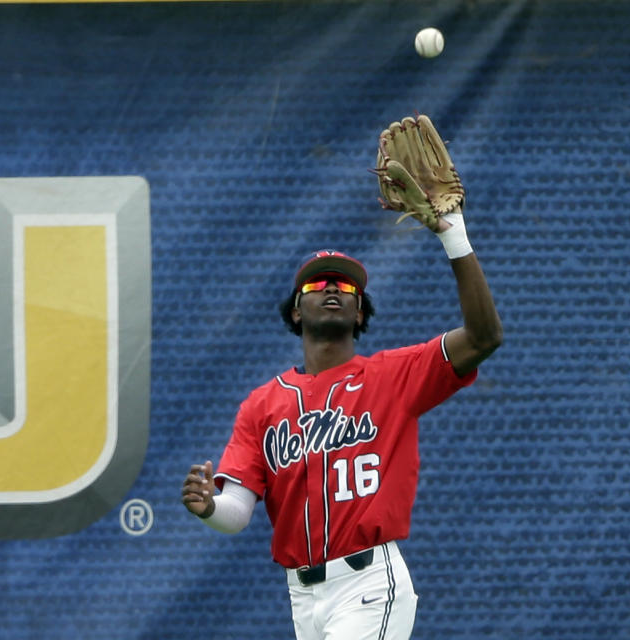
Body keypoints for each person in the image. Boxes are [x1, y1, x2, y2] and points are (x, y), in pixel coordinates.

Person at [181, 121, 502, 640]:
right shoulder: (262, 405)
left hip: (369, 583)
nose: (333, 288)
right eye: (318, 283)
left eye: (346, 287)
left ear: (358, 315)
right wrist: (210, 508)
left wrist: (453, 233)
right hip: (303, 598)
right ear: (295, 313)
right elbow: (238, 507)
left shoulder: (394, 376)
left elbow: (484, 336)